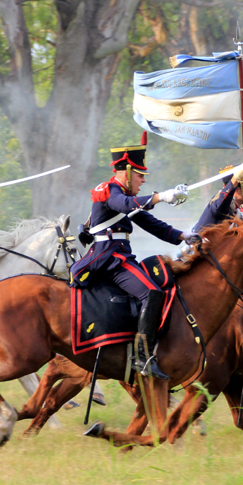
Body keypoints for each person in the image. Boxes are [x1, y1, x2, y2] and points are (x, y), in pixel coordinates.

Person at [70, 131, 194, 380]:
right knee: (151, 293)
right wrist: (161, 197)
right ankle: (142, 356)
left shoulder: (126, 197)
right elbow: (126, 205)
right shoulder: (109, 190)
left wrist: (184, 236)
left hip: (119, 256)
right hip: (109, 258)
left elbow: (151, 223)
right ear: (126, 172)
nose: (143, 180)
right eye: (139, 175)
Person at [191, 155, 243, 232]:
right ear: (236, 189)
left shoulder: (237, 212)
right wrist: (235, 180)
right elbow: (221, 205)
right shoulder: (220, 204)